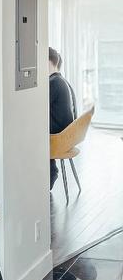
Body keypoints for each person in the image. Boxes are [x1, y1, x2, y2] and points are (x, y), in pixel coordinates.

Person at [48, 46, 77, 189]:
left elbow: (36, 107)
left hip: (59, 138)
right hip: (66, 134)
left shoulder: (53, 83)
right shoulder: (61, 81)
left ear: (47, 62)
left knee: (31, 134)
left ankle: (48, 174)